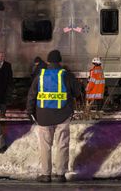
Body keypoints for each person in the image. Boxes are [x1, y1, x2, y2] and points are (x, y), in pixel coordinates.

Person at [26, 49, 81, 183]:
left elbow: (32, 95)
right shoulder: (66, 75)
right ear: (60, 60)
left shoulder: (40, 75)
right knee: (62, 144)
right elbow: (77, 92)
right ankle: (60, 174)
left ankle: (46, 174)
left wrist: (30, 111)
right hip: (63, 114)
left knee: (45, 146)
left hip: (44, 116)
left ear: (48, 61)